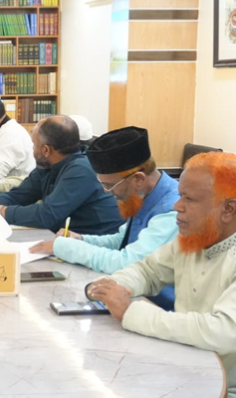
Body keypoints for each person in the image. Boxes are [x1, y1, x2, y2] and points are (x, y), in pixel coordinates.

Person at [86, 152, 236, 398]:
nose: (177, 206)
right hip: (182, 368)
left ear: (228, 209)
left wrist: (131, 312)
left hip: (231, 391)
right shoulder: (194, 235)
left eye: (189, 199)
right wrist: (113, 287)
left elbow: (224, 332)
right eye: (180, 195)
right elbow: (147, 271)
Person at [30, 127, 178, 310]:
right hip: (131, 296)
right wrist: (81, 239)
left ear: (138, 179)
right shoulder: (142, 194)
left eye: (110, 185)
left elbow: (128, 262)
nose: (107, 192)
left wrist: (66, 247)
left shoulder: (172, 211)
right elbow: (121, 240)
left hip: (159, 308)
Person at [0, 115, 123, 235]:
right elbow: (20, 194)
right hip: (64, 238)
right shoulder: (48, 165)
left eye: (34, 144)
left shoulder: (81, 170)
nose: (32, 149)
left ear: (46, 150)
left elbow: (47, 215)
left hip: (96, 244)